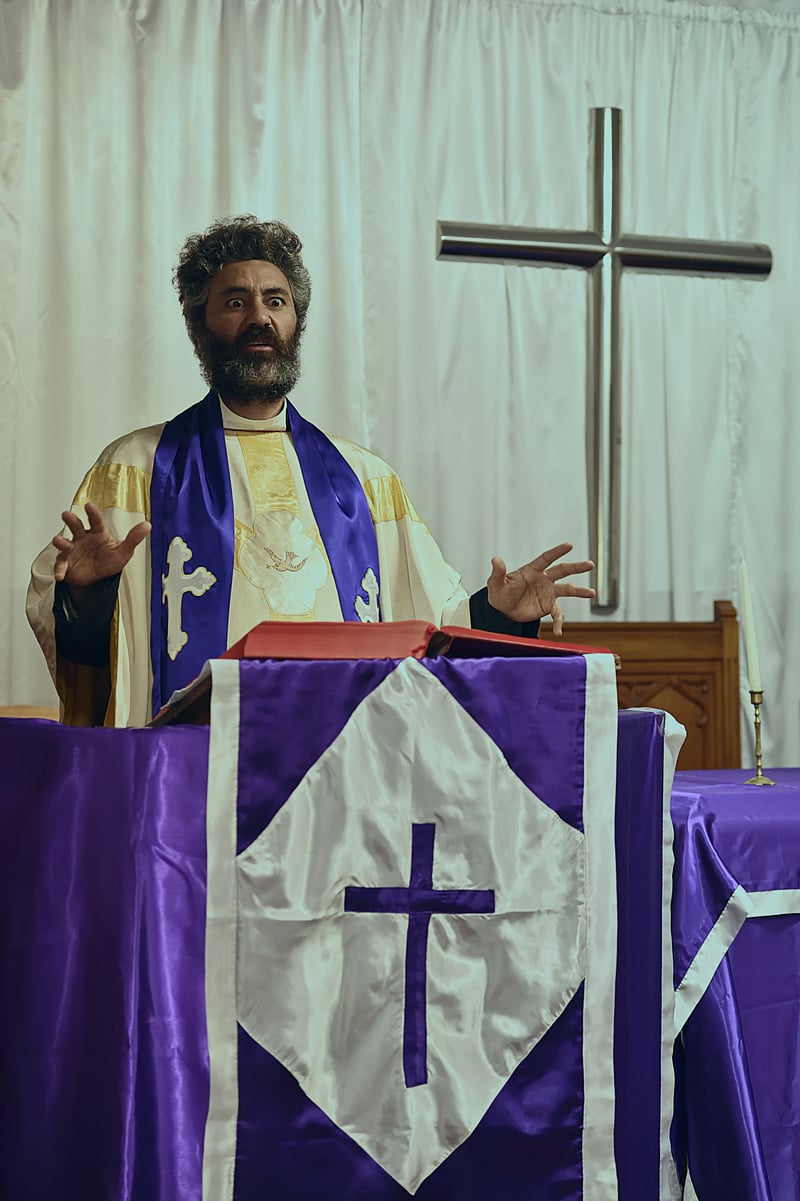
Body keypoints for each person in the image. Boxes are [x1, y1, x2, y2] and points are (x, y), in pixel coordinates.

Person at [27, 217, 595, 727]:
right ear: (200, 327)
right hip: (197, 766)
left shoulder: (364, 480)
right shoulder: (136, 470)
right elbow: (94, 655)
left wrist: (498, 613)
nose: (259, 317)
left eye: (275, 301)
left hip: (339, 767)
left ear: (295, 321)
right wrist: (85, 595)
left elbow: (433, 623)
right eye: (235, 302)